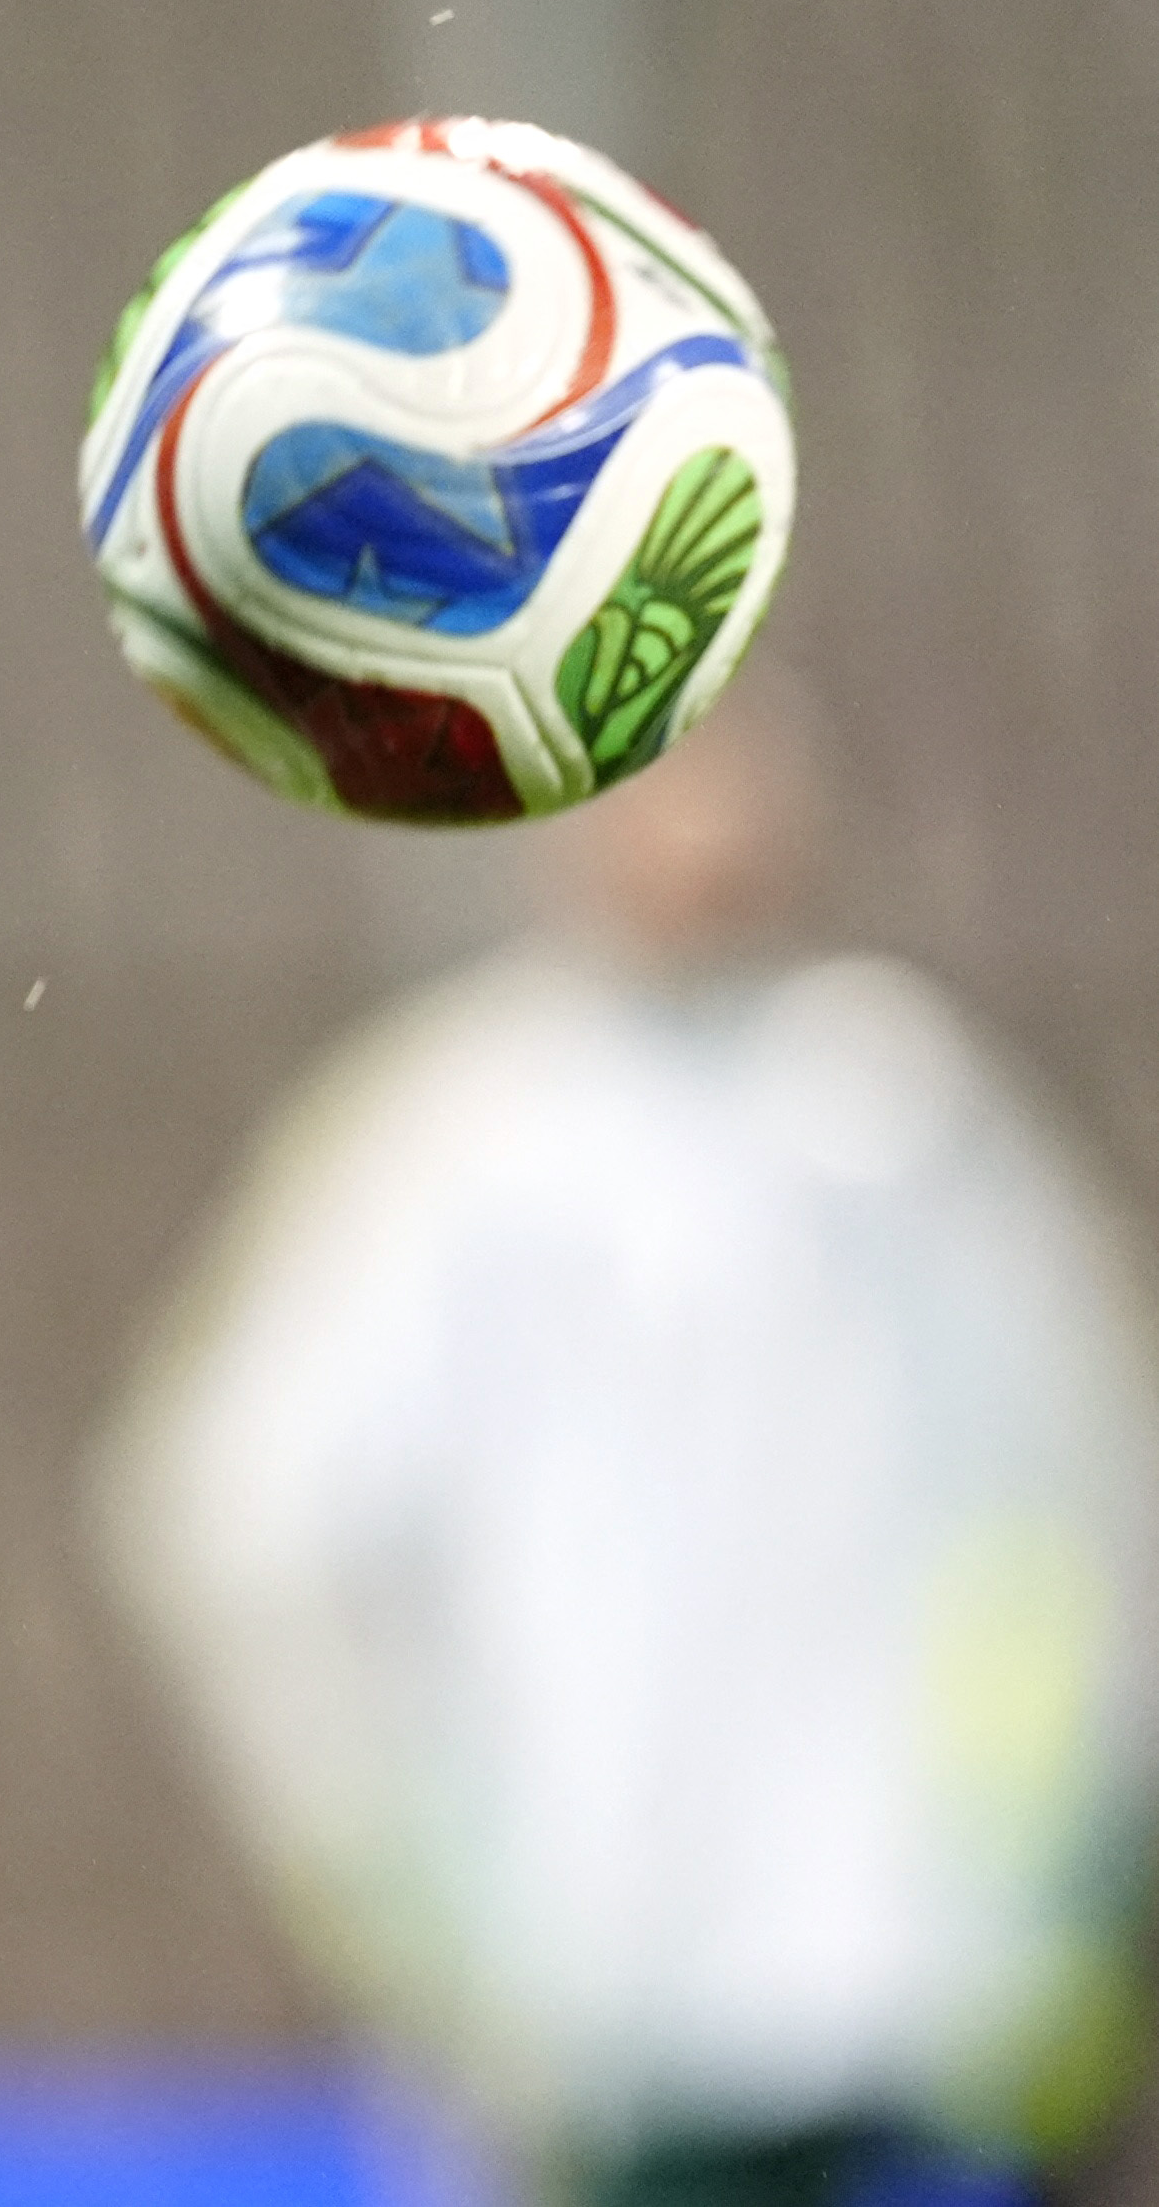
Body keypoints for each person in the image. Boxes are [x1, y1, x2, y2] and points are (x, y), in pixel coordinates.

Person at [97, 693, 1159, 2207]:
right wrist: (405, 1866)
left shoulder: (894, 1114)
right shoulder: (457, 1143)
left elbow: (1089, 1480)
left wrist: (1061, 1857)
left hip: (899, 1993)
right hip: (604, 2003)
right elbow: (244, 1521)